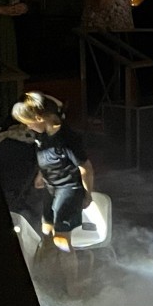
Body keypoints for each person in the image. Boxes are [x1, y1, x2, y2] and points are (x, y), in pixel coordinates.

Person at [11, 92, 93, 255]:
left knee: (61, 240)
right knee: (47, 232)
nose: (28, 127)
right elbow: (46, 157)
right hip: (51, 187)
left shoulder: (66, 139)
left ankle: (71, 280)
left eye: (28, 123)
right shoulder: (43, 135)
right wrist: (41, 175)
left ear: (40, 118)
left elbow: (86, 168)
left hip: (69, 189)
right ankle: (47, 272)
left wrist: (87, 194)